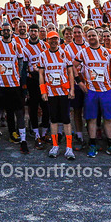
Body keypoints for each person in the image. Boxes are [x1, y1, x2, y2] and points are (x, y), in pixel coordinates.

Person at [73, 27, 111, 158]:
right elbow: (73, 66)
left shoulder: (107, 52)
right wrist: (79, 82)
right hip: (91, 91)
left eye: (93, 35)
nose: (91, 38)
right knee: (92, 119)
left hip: (106, 90)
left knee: (108, 118)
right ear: (86, 37)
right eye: (89, 36)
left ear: (98, 36)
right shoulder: (83, 52)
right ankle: (92, 144)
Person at [0, 24, 29, 155]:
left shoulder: (17, 45)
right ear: (2, 32)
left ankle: (23, 140)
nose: (6, 32)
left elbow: (21, 63)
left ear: (11, 31)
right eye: (4, 30)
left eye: (8, 30)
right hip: (0, 85)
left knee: (19, 112)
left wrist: (17, 76)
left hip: (14, 85)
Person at [35, 31, 76, 159]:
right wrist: (43, 91)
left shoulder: (65, 53)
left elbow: (70, 72)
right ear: (47, 41)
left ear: (59, 40)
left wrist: (72, 89)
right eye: (51, 39)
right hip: (51, 93)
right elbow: (41, 74)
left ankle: (69, 148)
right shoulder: (43, 55)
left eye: (55, 39)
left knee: (66, 120)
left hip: (64, 92)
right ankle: (55, 145)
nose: (53, 41)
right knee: (53, 120)